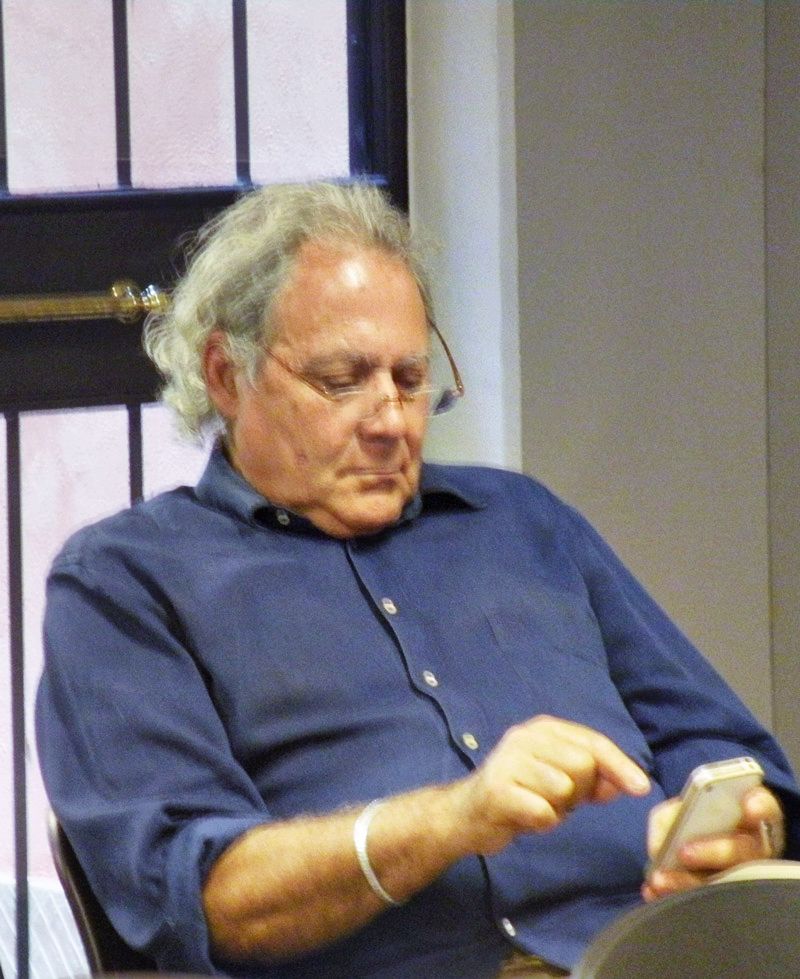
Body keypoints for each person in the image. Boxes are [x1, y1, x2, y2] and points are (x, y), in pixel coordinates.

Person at [36, 181, 799, 979]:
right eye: (342, 380)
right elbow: (198, 898)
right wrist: (450, 819)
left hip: (648, 954)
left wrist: (735, 824)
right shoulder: (127, 582)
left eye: (408, 379)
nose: (391, 422)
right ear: (228, 375)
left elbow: (720, 742)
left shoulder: (521, 520)